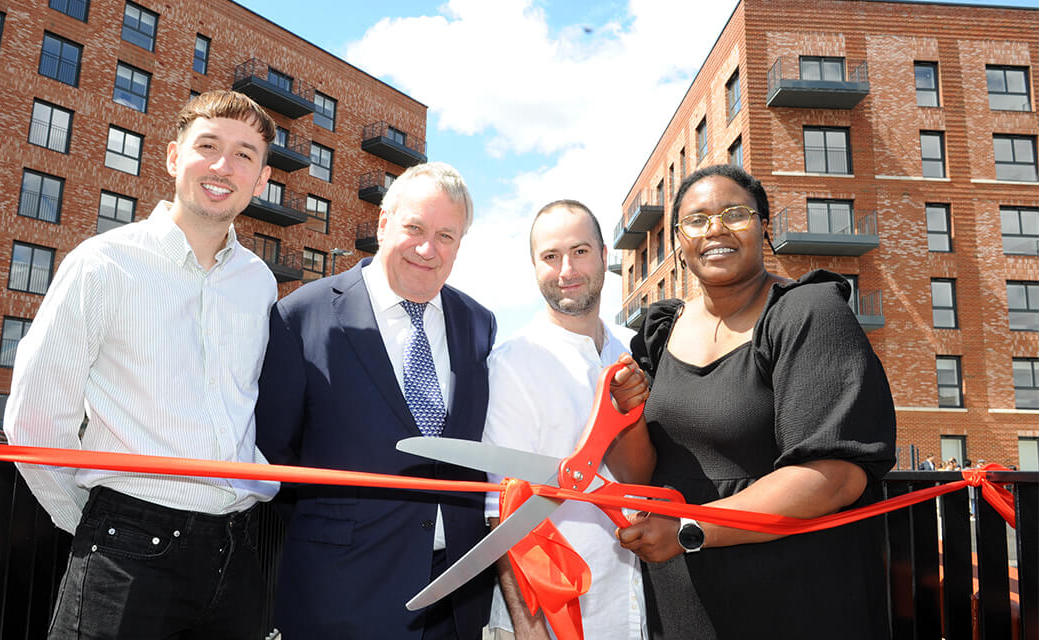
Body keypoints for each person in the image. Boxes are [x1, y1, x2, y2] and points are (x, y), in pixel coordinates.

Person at [4, 90, 280, 639]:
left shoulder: (260, 283)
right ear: (174, 157)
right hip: (126, 552)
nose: (224, 166)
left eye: (245, 154)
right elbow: (35, 418)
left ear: (262, 179)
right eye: (208, 146)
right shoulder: (103, 264)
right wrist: (93, 520)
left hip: (237, 550)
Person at [608, 164, 897, 639]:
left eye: (734, 214)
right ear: (680, 241)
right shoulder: (659, 332)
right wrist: (627, 414)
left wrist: (688, 528)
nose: (715, 229)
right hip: (685, 601)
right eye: (696, 220)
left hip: (794, 597)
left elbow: (834, 476)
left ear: (764, 226)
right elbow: (640, 474)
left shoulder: (809, 313)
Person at [255, 162, 495, 639]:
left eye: (446, 236)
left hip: (456, 598)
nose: (429, 250)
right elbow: (276, 453)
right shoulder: (301, 316)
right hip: (342, 594)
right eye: (415, 228)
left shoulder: (478, 322)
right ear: (384, 224)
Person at [481, 200, 646, 639]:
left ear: (605, 254)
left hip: (631, 610)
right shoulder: (514, 362)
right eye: (550, 257)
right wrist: (528, 626)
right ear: (534, 267)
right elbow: (503, 508)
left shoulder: (632, 349)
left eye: (580, 251)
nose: (566, 269)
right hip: (549, 617)